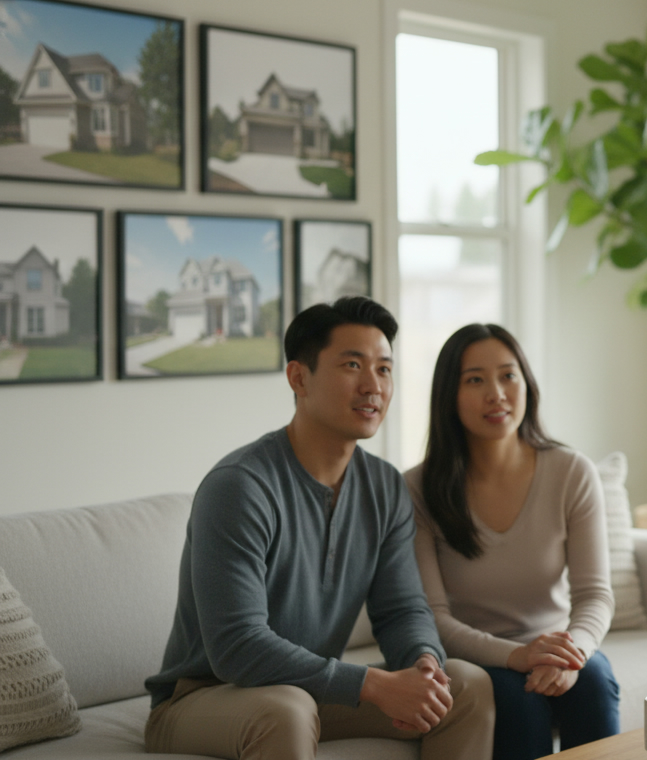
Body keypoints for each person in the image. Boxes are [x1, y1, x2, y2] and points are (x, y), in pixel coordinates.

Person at [144, 297, 494, 760]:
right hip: (202, 699)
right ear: (298, 377)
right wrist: (372, 684)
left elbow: (401, 610)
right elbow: (237, 646)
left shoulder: (385, 486)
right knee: (285, 709)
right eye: (353, 364)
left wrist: (424, 665)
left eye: (384, 369)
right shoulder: (240, 487)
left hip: (302, 692)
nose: (373, 385)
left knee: (464, 686)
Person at [404, 323, 619, 760]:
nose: (496, 394)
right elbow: (434, 619)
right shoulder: (417, 489)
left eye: (508, 375)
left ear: (527, 384)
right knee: (515, 700)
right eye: (475, 380)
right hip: (472, 655)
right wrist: (518, 656)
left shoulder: (571, 472)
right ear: (449, 394)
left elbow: (595, 595)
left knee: (594, 680)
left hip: (557, 644)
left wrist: (572, 652)